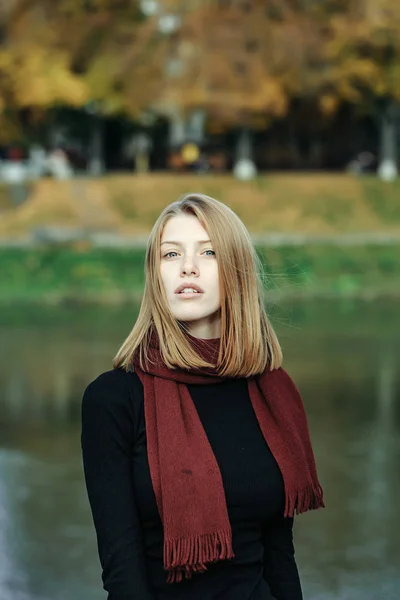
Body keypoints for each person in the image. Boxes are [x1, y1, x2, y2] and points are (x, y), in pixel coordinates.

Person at [81, 193, 325, 600]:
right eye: (171, 254)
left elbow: (280, 556)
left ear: (237, 271)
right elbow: (122, 573)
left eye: (208, 252)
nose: (187, 267)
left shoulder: (271, 392)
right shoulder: (114, 399)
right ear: (155, 274)